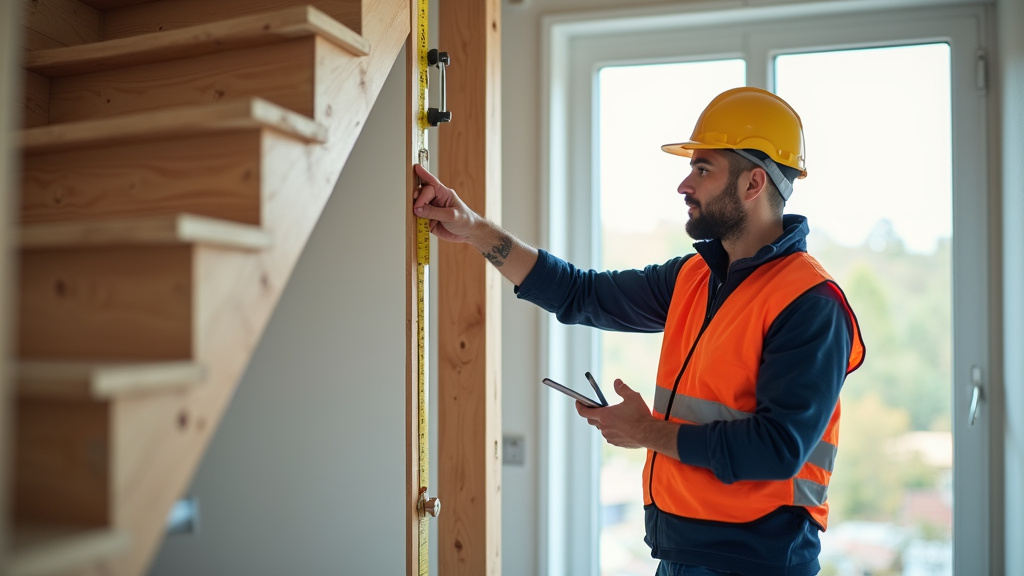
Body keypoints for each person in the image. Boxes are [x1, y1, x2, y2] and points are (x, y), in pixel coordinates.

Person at [412, 86, 865, 576]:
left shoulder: (811, 304)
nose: (684, 185)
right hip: (681, 554)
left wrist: (645, 431)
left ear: (754, 183)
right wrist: (474, 227)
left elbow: (777, 450)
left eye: (703, 169)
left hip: (757, 563)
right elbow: (579, 293)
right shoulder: (695, 277)